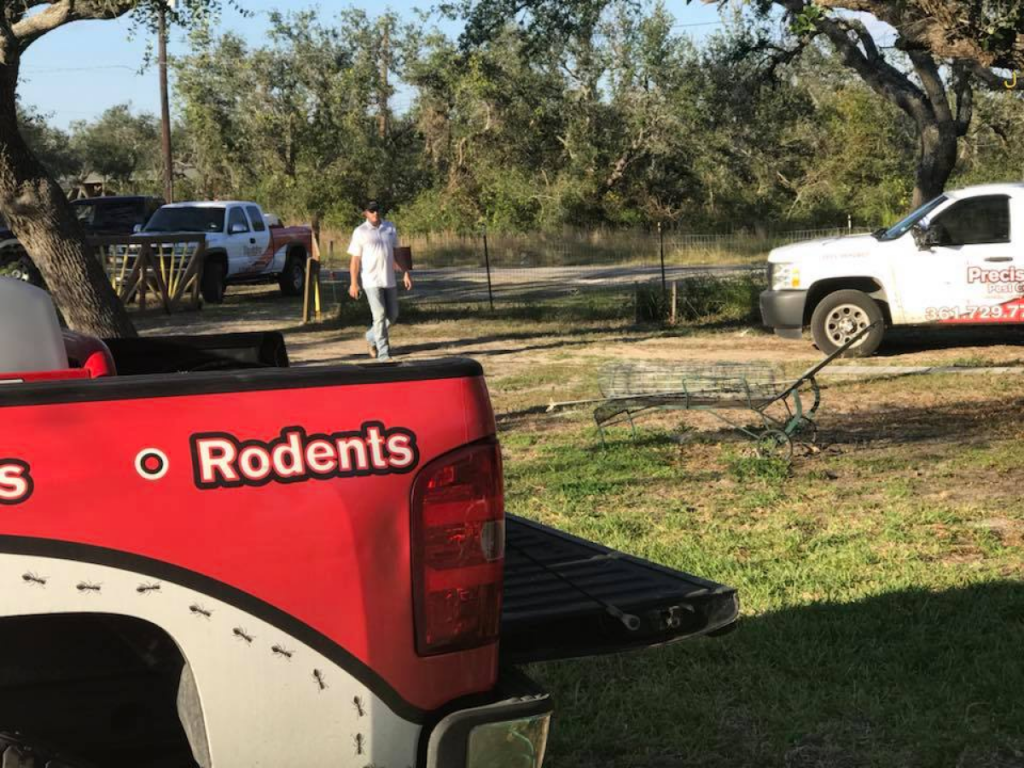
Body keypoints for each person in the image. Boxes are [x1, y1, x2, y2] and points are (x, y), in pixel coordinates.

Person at [347, 201, 412, 361]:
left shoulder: (389, 228)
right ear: (365, 213)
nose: (375, 213)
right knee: (380, 314)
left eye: (377, 210)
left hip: (388, 278)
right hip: (370, 280)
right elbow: (355, 260)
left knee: (393, 315)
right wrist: (353, 283)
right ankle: (383, 353)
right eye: (371, 211)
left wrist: (405, 273)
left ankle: (371, 336)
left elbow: (397, 253)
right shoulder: (360, 232)